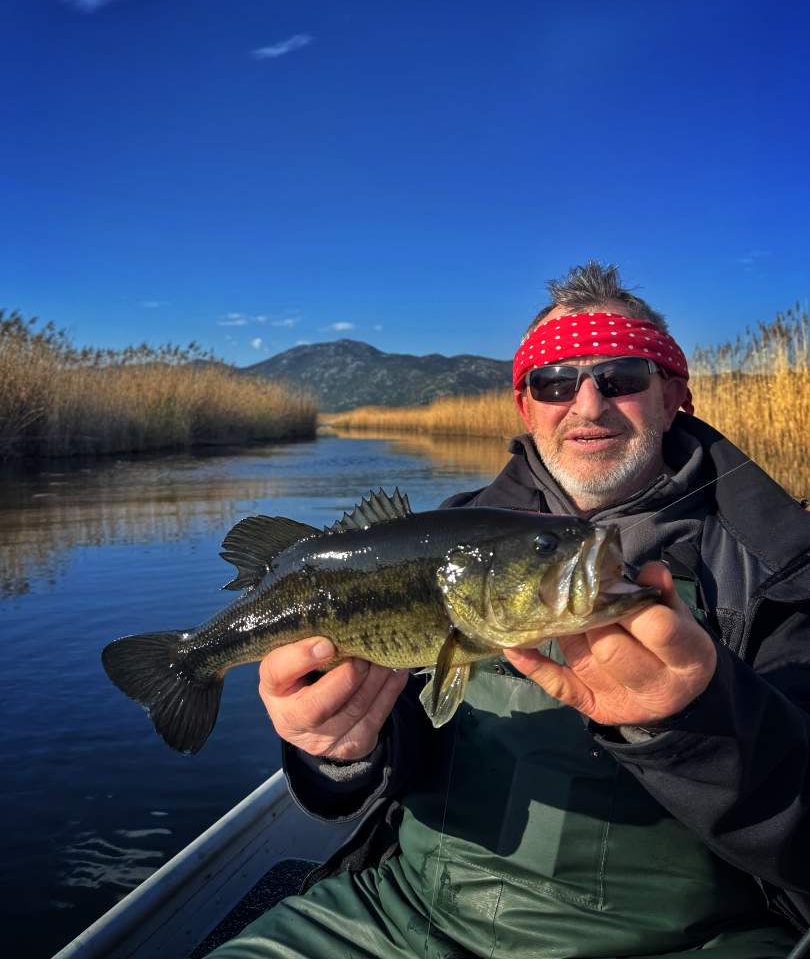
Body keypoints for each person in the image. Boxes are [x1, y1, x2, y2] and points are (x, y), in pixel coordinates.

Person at [209, 262, 810, 959]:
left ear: (674, 394)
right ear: (526, 406)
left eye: (621, 377)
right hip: (407, 915)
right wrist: (338, 752)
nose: (588, 405)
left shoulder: (783, 568)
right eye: (556, 382)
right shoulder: (439, 535)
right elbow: (390, 757)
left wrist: (696, 724)